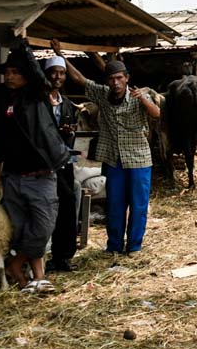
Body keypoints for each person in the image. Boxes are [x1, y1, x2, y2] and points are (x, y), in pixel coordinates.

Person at [50, 39, 160, 254]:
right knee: (115, 205)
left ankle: (134, 246)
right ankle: (114, 246)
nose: (116, 82)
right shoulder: (102, 94)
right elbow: (79, 79)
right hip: (113, 159)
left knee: (138, 205)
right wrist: (60, 53)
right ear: (107, 81)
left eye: (119, 78)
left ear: (126, 79)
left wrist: (144, 99)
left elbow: (156, 113)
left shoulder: (139, 96)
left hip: (138, 159)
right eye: (111, 79)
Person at [0, 41, 70, 294]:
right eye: (7, 72)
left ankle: (16, 264)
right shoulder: (2, 99)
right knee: (22, 227)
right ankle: (35, 278)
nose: (9, 76)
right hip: (13, 175)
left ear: (26, 75)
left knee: (43, 226)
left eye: (15, 72)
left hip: (40, 173)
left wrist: (22, 46)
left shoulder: (37, 95)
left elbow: (37, 75)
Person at [44, 56, 79, 272]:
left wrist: (69, 133)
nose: (58, 77)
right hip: (43, 164)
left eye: (62, 73)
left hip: (64, 162)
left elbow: (70, 135)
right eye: (54, 72)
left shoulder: (66, 104)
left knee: (67, 204)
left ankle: (63, 256)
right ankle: (38, 256)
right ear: (46, 74)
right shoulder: (38, 103)